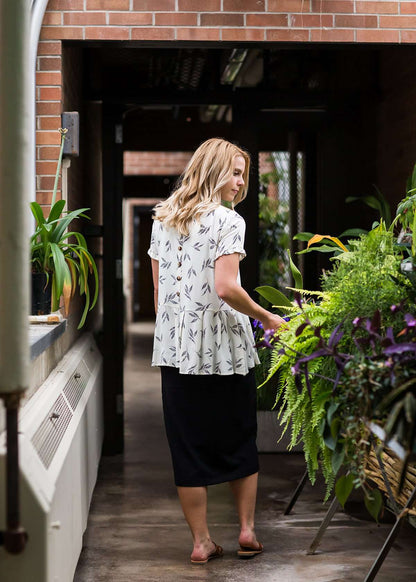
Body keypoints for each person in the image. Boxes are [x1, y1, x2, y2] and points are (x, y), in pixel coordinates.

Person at [148, 138, 285, 565]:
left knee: (187, 445)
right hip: (225, 350)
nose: (241, 182)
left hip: (178, 350)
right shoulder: (228, 221)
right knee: (239, 437)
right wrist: (268, 317)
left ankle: (201, 542)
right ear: (211, 170)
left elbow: (159, 298)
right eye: (235, 172)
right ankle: (246, 530)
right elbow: (226, 288)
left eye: (243, 173)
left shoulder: (162, 220)